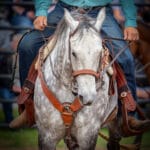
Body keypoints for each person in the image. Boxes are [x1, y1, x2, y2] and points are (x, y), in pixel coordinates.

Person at [10, 0, 150, 131]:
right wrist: (41, 12)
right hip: (64, 10)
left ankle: (127, 116)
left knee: (125, 58)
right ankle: (29, 108)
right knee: (27, 45)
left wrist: (131, 22)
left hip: (100, 13)